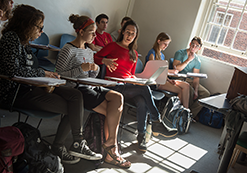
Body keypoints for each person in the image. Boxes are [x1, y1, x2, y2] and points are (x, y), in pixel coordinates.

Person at [0, 4, 102, 165]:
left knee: (76, 96)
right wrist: (43, 73)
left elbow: (28, 68)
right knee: (74, 107)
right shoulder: (11, 38)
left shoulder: (24, 42)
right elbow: (12, 70)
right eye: (39, 28)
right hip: (17, 92)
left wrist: (46, 75)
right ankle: (64, 145)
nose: (41, 32)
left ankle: (77, 143)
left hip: (32, 87)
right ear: (26, 24)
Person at [55, 14, 131, 168]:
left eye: (95, 32)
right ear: (81, 32)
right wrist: (79, 69)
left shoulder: (89, 51)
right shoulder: (68, 49)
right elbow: (59, 74)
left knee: (118, 98)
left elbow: (90, 75)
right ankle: (112, 150)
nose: (94, 36)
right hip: (76, 88)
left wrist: (94, 69)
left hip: (89, 85)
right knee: (112, 111)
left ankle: (110, 143)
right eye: (91, 32)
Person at [94, 20, 177, 152]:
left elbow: (131, 74)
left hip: (127, 86)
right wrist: (104, 60)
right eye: (128, 32)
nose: (130, 36)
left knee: (142, 100)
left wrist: (136, 79)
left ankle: (141, 137)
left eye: (133, 34)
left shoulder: (134, 53)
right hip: (113, 86)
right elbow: (95, 57)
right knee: (144, 89)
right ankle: (156, 121)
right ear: (122, 32)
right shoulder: (113, 46)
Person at [145, 32, 190, 108]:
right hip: (155, 82)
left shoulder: (162, 55)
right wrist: (169, 73)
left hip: (163, 80)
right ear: (158, 41)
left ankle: (186, 110)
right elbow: (154, 71)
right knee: (180, 90)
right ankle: (174, 114)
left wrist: (169, 80)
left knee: (186, 86)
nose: (166, 46)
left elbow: (162, 72)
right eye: (164, 44)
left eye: (167, 44)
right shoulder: (152, 53)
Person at [173, 36, 210, 119]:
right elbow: (177, 69)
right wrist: (188, 60)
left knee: (206, 94)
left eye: (196, 46)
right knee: (190, 90)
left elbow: (196, 77)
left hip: (190, 80)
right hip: (179, 78)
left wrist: (196, 91)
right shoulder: (180, 53)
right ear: (190, 44)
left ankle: (190, 114)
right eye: (192, 44)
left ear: (199, 49)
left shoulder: (197, 60)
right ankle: (186, 113)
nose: (193, 47)